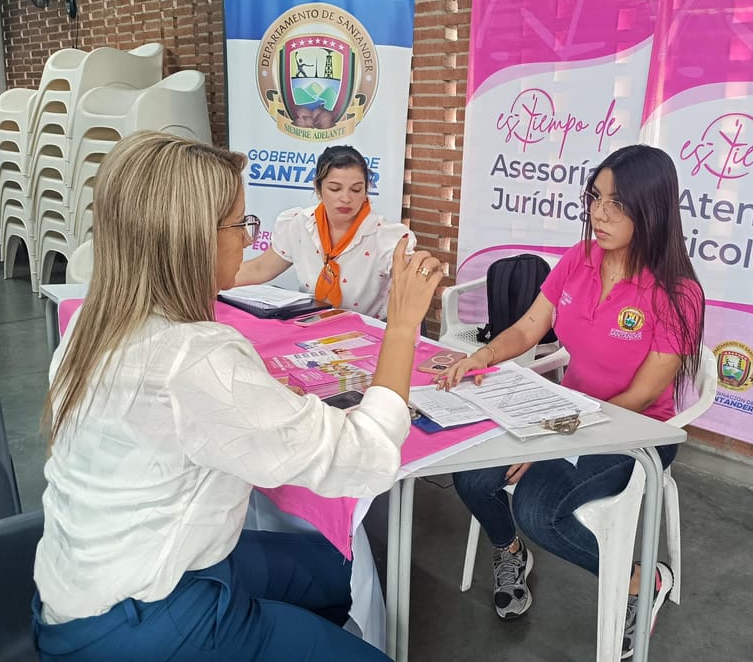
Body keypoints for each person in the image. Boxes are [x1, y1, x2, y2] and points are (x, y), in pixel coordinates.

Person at [31, 132, 444, 662]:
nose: (249, 240)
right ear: (190, 239)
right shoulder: (194, 358)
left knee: (333, 574)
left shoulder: (93, 319)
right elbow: (361, 457)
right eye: (239, 225)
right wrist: (404, 323)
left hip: (80, 583)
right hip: (144, 618)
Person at [436, 144, 704, 659]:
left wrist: (552, 441)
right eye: (596, 197)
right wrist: (482, 358)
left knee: (540, 511)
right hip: (565, 412)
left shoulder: (677, 294)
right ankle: (509, 551)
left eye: (618, 204)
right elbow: (531, 327)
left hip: (634, 431)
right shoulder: (579, 260)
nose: (599, 214)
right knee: (472, 475)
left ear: (652, 210)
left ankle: (641, 580)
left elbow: (644, 394)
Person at [235, 144, 414, 320]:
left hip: (367, 334)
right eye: (335, 189)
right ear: (318, 188)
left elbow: (410, 296)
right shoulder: (299, 224)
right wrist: (211, 282)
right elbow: (260, 269)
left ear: (367, 188)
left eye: (356, 189)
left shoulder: (388, 238)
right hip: (312, 328)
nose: (346, 198)